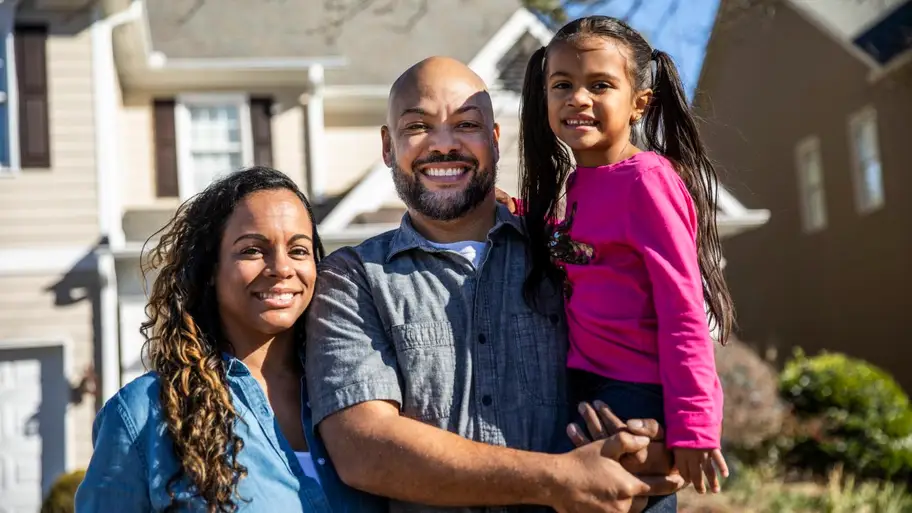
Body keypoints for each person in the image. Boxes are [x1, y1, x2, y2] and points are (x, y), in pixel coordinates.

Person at [304, 56, 682, 513]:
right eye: (418, 126)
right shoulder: (353, 279)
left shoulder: (567, 252)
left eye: (466, 124)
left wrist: (653, 441)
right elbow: (364, 449)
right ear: (388, 146)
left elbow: (658, 346)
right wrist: (559, 480)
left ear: (495, 139)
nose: (443, 146)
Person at [516, 15, 733, 512]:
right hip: (580, 387)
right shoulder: (575, 185)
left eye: (600, 85)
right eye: (562, 85)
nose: (579, 98)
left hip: (637, 397)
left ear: (639, 103)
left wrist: (695, 425)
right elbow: (583, 251)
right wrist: (520, 213)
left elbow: (683, 312)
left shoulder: (648, 182)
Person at [75, 167, 386, 512]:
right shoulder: (144, 413)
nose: (281, 268)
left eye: (299, 250)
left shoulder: (358, 393)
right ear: (209, 270)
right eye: (253, 250)